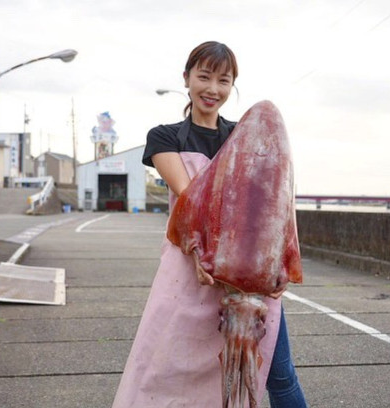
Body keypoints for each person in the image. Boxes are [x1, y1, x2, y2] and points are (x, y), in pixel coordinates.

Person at [112, 41, 307, 408]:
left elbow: (275, 202)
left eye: (223, 80)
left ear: (232, 86)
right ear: (186, 79)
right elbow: (189, 200)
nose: (213, 89)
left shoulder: (244, 136)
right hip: (190, 269)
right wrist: (201, 255)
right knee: (166, 370)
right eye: (204, 77)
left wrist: (283, 260)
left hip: (247, 280)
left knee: (279, 374)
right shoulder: (166, 137)